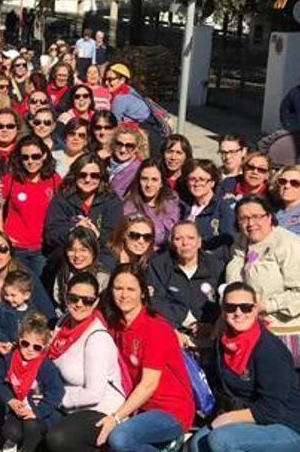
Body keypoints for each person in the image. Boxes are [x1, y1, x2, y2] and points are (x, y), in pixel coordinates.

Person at [188, 282, 300, 452]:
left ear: (255, 309)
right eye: (231, 307)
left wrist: (229, 418)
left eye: (246, 307)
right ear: (223, 310)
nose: (238, 313)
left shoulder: (269, 350)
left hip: (288, 425)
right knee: (198, 444)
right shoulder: (223, 343)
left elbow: (272, 410)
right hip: (250, 418)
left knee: (221, 441)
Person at [225, 195, 300, 368]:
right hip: (253, 327)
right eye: (244, 218)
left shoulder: (290, 244)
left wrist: (266, 305)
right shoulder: (241, 243)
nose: (250, 223)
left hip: (289, 329)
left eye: (257, 216)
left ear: (269, 217)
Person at [97, 263, 195, 452]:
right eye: (118, 288)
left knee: (120, 438)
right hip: (140, 407)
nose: (124, 295)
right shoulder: (117, 325)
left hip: (170, 410)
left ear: (143, 292)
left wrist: (116, 417)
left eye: (131, 289)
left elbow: (149, 384)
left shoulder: (155, 328)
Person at [44, 272, 125, 452]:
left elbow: (94, 394)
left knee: (57, 439)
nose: (79, 304)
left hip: (101, 408)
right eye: (73, 298)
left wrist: (54, 398)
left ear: (95, 302)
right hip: (69, 403)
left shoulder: (97, 339)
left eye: (87, 300)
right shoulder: (63, 322)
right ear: (65, 297)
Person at [148, 221, 225, 349]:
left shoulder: (215, 266)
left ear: (199, 242)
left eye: (191, 238)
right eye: (178, 239)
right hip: (172, 331)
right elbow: (156, 300)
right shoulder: (159, 265)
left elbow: (223, 300)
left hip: (209, 332)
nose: (185, 243)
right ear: (172, 243)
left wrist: (213, 324)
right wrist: (171, 329)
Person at [0, 312, 64, 452]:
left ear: (44, 347)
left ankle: (29, 447)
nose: (30, 350)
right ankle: (14, 441)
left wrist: (37, 412)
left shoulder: (45, 366)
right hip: (19, 407)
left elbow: (57, 392)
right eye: (25, 344)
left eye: (36, 347)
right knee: (9, 431)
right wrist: (10, 400)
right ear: (19, 340)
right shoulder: (10, 359)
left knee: (31, 426)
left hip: (41, 411)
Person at [0, 135, 60, 283]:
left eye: (35, 156)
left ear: (44, 155)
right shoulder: (11, 179)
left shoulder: (54, 180)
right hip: (16, 247)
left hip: (42, 248)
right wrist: (2, 235)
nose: (30, 161)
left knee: (39, 290)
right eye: (25, 157)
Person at [44, 153, 123, 265]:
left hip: (100, 255)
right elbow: (51, 234)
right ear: (75, 175)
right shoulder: (62, 198)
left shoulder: (112, 201)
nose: (87, 179)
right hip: (68, 254)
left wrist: (96, 234)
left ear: (101, 177)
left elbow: (115, 237)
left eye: (94, 175)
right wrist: (73, 230)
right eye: (82, 175)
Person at [104, 63, 165, 154]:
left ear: (122, 80)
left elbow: (115, 124)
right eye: (105, 79)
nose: (106, 83)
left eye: (110, 79)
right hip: (154, 131)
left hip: (146, 135)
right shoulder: (130, 91)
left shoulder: (120, 99)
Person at [181, 159, 235, 259]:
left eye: (202, 179)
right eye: (192, 179)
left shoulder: (222, 208)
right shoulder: (183, 207)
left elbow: (228, 240)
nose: (196, 183)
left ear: (212, 182)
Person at [122, 160, 180, 249]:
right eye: (144, 179)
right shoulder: (129, 207)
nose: (149, 184)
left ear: (161, 183)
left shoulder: (172, 201)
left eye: (154, 180)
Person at [49, 227, 110, 308]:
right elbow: (58, 299)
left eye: (83, 250)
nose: (77, 255)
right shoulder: (63, 274)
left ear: (94, 252)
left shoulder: (103, 277)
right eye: (72, 250)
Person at [107, 126, 146, 199]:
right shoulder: (104, 163)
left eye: (129, 146)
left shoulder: (139, 171)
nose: (123, 150)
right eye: (119, 144)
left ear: (136, 148)